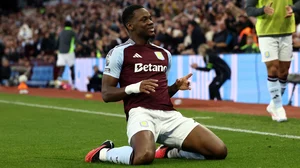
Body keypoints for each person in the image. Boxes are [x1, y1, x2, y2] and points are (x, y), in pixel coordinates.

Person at [84, 5, 227, 166]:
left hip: (169, 115)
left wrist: (174, 87)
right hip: (140, 113)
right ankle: (104, 152)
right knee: (144, 156)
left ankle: (170, 152)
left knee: (219, 150)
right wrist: (135, 87)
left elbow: (160, 94)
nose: (151, 22)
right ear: (130, 25)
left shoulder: (164, 54)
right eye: (144, 19)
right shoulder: (119, 52)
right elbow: (106, 94)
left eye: (150, 18)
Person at [246, 0, 300, 122]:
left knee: (284, 72)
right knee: (273, 68)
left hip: (286, 32)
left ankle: (273, 105)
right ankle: (279, 107)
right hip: (266, 34)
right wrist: (262, 10)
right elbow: (249, 9)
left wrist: (293, 8)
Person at [56, 19, 88, 89]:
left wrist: (56, 49)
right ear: (71, 26)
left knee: (62, 69)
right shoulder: (72, 32)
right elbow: (77, 41)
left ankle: (58, 84)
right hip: (69, 52)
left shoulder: (61, 33)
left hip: (61, 53)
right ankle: (73, 85)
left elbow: (57, 42)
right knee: (72, 68)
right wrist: (85, 46)